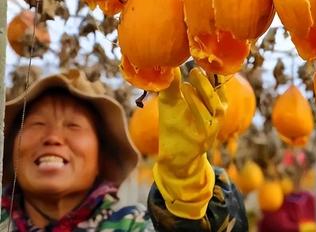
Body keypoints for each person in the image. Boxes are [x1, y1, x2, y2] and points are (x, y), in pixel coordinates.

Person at [1, 68, 248, 231]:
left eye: (73, 126)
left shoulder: (135, 226)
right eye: (37, 124)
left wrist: (186, 187)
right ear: (11, 148)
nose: (53, 137)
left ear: (101, 156)